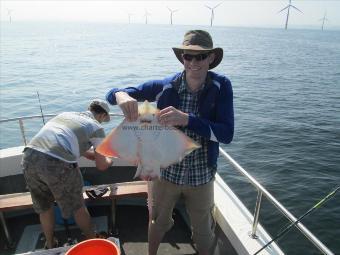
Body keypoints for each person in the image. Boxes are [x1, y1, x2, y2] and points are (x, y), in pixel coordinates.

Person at [106, 30, 234, 255]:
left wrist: (188, 120)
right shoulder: (167, 85)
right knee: (156, 222)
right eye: (188, 56)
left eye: (201, 56)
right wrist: (121, 96)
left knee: (204, 233)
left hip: (201, 176)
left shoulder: (221, 86)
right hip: (166, 174)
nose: (194, 62)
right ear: (182, 58)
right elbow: (115, 93)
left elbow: (226, 134)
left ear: (211, 58)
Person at [21, 99, 114, 249]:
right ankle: (93, 242)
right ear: (102, 115)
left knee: (45, 207)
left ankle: (50, 244)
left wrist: (95, 155)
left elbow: (81, 150)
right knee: (78, 207)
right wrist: (110, 160)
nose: (103, 122)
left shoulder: (66, 115)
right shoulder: (96, 127)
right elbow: (102, 165)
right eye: (104, 119)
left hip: (29, 157)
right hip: (56, 164)